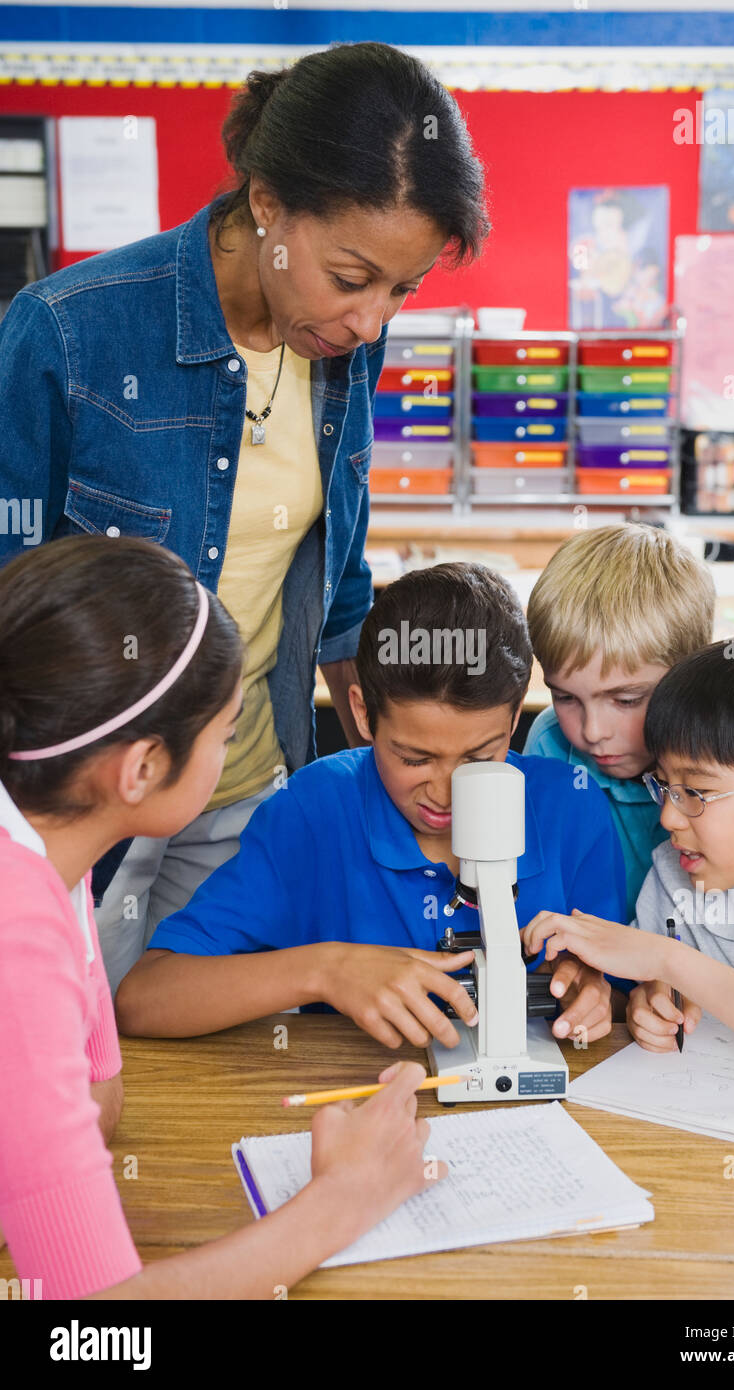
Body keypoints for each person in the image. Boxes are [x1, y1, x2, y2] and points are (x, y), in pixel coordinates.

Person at [0, 41, 489, 996]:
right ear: (267, 202)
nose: (370, 322)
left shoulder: (343, 350)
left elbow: (339, 573)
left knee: (215, 1092)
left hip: (250, 798)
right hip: (88, 819)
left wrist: (384, 784)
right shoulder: (68, 330)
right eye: (352, 277)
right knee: (70, 1080)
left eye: (404, 289)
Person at [0, 534, 444, 1299]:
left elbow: (100, 1099)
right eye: (227, 732)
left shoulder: (45, 850)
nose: (234, 754)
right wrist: (345, 1198)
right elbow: (92, 1334)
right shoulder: (18, 935)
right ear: (140, 769)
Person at [115, 563, 626, 1049]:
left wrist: (599, 992)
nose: (446, 793)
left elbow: (626, 992)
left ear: (515, 716)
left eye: (478, 756)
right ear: (362, 713)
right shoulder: (315, 813)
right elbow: (144, 999)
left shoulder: (570, 807)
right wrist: (327, 969)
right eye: (414, 757)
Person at [523, 634, 734, 1111]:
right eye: (664, 785)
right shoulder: (676, 873)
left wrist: (671, 962)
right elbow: (659, 994)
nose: (666, 818)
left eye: (697, 793)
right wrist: (646, 1004)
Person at [524, 522, 715, 920]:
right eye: (564, 697)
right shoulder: (548, 745)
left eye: (626, 699)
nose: (592, 732)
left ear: (692, 674)